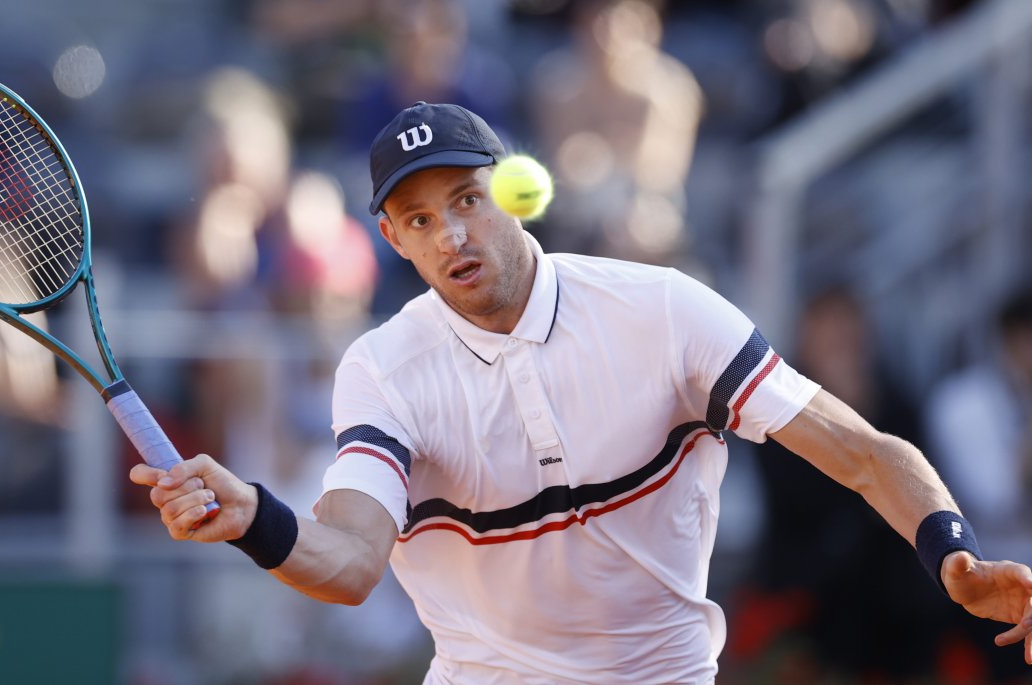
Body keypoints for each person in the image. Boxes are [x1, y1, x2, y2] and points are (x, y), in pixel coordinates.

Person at [131, 102, 1032, 684]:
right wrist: (251, 516)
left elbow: (868, 454)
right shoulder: (381, 368)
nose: (452, 233)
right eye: (420, 218)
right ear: (392, 241)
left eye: (467, 199)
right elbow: (349, 564)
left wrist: (952, 556)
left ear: (510, 194)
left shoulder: (663, 311)